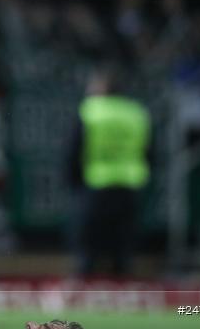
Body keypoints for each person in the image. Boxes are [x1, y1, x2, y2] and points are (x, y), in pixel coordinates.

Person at [67, 67, 151, 277]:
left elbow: (74, 150)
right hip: (130, 185)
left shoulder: (91, 111)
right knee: (123, 250)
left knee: (87, 248)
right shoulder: (136, 113)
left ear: (103, 88)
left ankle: (83, 297)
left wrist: (73, 181)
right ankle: (124, 297)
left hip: (96, 184)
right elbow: (150, 151)